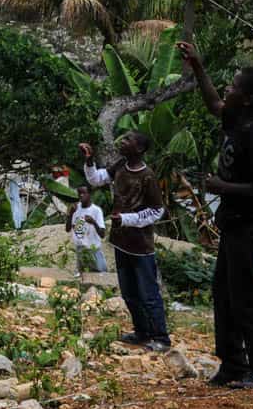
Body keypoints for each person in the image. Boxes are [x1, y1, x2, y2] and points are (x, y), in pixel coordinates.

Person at [177, 41, 253, 390]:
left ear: (248, 98)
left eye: (235, 86)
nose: (228, 89)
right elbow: (213, 103)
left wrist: (223, 187)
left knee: (247, 298)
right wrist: (198, 66)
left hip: (250, 226)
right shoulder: (238, 118)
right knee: (224, 294)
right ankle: (233, 364)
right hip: (234, 223)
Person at [80, 133, 171, 352]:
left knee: (148, 293)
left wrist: (128, 219)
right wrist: (90, 160)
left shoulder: (147, 176)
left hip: (141, 246)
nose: (123, 141)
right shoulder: (121, 165)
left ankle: (161, 337)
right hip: (121, 242)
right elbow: (96, 179)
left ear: (139, 149)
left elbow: (157, 211)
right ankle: (142, 332)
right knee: (129, 292)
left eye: (128, 140)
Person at [65, 184, 107, 275]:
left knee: (101, 275)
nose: (81, 195)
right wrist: (71, 214)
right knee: (82, 276)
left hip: (94, 249)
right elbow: (68, 229)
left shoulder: (96, 210)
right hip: (80, 249)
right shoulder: (75, 209)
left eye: (84, 193)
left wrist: (94, 222)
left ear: (89, 194)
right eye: (79, 193)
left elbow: (103, 234)